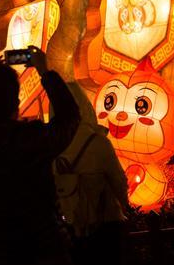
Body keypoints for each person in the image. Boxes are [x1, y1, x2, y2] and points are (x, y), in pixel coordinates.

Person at [0, 47, 81, 265]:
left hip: (0, 252)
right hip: (45, 249)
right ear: (16, 100)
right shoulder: (32, 140)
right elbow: (69, 117)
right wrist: (45, 72)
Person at [54, 82, 128, 265]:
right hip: (105, 223)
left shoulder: (52, 145)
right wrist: (126, 206)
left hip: (70, 224)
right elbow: (119, 181)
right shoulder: (98, 142)